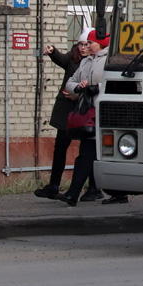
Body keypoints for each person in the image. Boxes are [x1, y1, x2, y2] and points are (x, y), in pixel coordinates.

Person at [57, 29, 128, 206]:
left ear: (101, 44)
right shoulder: (86, 61)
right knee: (86, 154)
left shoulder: (112, 60)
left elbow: (121, 83)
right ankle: (73, 194)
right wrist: (79, 87)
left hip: (108, 115)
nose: (86, 45)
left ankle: (119, 193)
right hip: (90, 115)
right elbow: (70, 82)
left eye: (90, 42)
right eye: (86, 42)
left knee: (109, 155)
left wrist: (98, 88)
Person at [33, 29, 102, 202]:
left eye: (87, 44)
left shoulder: (96, 62)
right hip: (68, 113)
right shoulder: (74, 60)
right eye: (80, 44)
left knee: (89, 149)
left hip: (86, 113)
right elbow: (62, 60)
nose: (83, 48)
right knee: (61, 147)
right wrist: (52, 51)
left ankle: (94, 188)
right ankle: (54, 185)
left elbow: (97, 86)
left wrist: (78, 93)